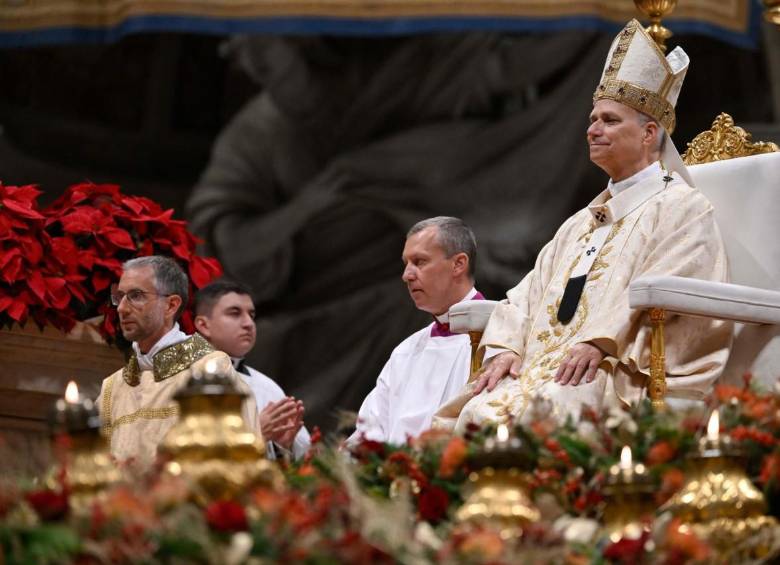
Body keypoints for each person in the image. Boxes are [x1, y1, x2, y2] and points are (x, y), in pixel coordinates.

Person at [437, 20, 733, 431]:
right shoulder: (579, 224)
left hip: (619, 368)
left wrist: (599, 339)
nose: (592, 130)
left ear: (649, 133)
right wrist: (505, 346)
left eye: (610, 120)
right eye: (593, 119)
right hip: (549, 368)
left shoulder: (682, 207)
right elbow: (525, 295)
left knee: (554, 411)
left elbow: (675, 286)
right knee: (476, 414)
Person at [96, 256, 257, 468]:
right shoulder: (112, 388)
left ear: (171, 305)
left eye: (136, 296)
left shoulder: (209, 370)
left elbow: (230, 464)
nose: (122, 308)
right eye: (120, 296)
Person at [349, 216, 489, 444]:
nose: (407, 275)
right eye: (406, 263)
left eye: (420, 262)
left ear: (458, 264)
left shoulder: (502, 338)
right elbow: (369, 435)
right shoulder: (406, 351)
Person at [194, 280, 310, 460]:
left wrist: (282, 447)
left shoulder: (267, 386)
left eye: (252, 315)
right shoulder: (182, 379)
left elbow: (300, 461)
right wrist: (255, 433)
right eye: (234, 313)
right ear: (204, 325)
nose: (248, 323)